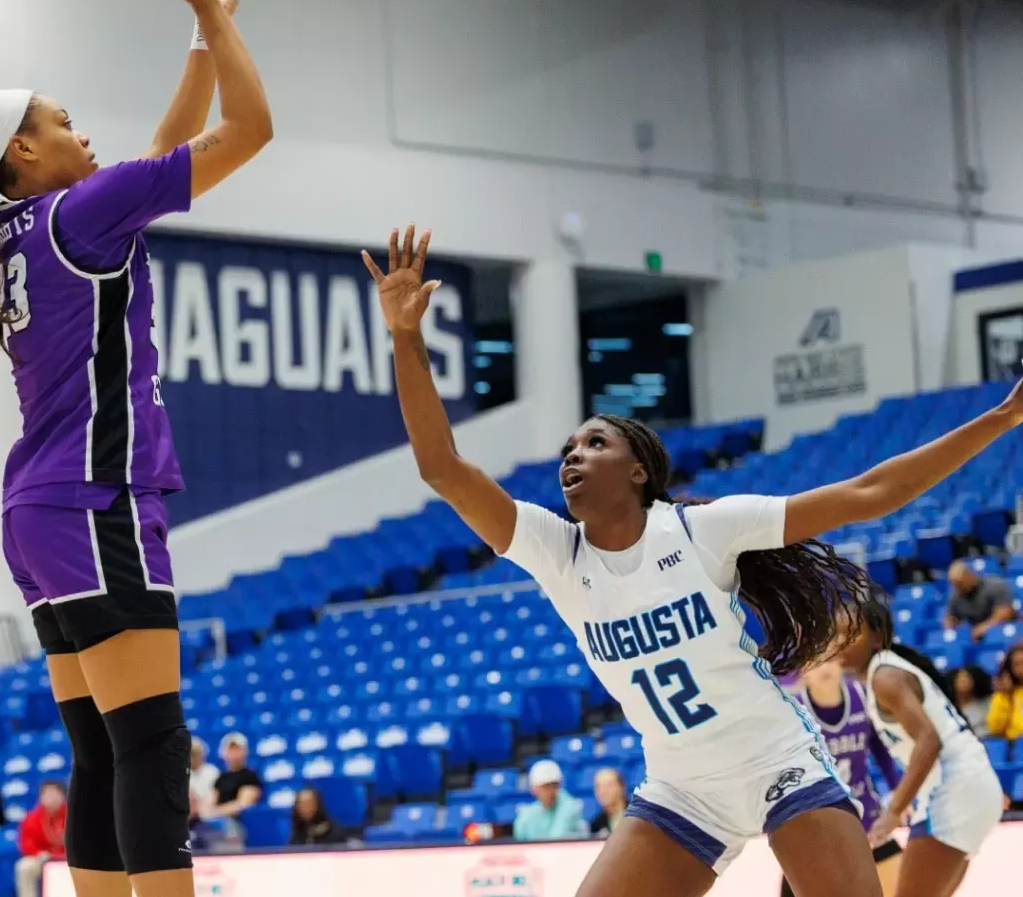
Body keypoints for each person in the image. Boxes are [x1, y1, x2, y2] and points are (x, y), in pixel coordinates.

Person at [373, 225, 1023, 897]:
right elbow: (441, 467)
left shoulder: (699, 531)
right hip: (681, 789)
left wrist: (1003, 416)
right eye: (567, 449)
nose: (572, 456)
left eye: (593, 443)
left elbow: (871, 493)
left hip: (776, 762)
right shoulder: (555, 551)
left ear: (637, 471)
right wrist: (405, 335)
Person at [0, 0, 270, 897]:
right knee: (152, 741)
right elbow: (250, 128)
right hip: (96, 497)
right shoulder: (80, 216)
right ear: (23, 148)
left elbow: (159, 159)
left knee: (103, 746)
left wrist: (203, 28)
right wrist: (209, 6)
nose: (81, 130)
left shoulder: (23, 231)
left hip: (39, 508)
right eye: (62, 120)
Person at [834, 592, 1006, 897]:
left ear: (877, 638)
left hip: (954, 791)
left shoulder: (885, 677)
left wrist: (894, 811)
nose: (840, 642)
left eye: (851, 634)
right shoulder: (886, 670)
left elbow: (930, 740)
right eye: (835, 634)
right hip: (970, 786)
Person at [782, 660, 904, 897]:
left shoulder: (861, 695)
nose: (824, 667)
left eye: (829, 658)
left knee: (901, 887)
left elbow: (880, 747)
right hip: (817, 821)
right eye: (815, 661)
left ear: (841, 661)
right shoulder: (793, 709)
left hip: (864, 813)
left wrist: (897, 790)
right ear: (802, 671)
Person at [201, 732, 264, 851]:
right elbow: (209, 801)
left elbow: (242, 805)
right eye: (230, 750)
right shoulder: (221, 778)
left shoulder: (250, 776)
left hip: (235, 824)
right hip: (215, 823)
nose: (234, 754)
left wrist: (215, 812)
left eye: (237, 749)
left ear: (245, 751)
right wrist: (208, 813)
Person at [513, 759, 590, 841]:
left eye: (554, 785)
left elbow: (558, 838)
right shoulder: (527, 814)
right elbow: (519, 839)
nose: (550, 791)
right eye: (545, 787)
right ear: (534, 789)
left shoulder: (571, 807)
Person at [15, 781, 69, 897]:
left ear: (63, 796)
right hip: (43, 859)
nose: (52, 798)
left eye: (55, 793)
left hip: (70, 860)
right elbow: (26, 844)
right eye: (48, 794)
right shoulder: (31, 818)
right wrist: (39, 854)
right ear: (41, 797)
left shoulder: (72, 816)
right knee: (24, 866)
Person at [942, 561, 1015, 642]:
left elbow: (1005, 613)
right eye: (955, 585)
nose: (958, 589)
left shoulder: (995, 585)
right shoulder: (955, 595)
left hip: (1004, 631)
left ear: (970, 576)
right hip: (976, 636)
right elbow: (951, 618)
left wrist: (984, 627)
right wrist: (950, 625)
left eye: (960, 584)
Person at [989, 642, 1023, 739]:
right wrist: (1006, 696)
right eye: (1016, 664)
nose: (1021, 668)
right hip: (1015, 744)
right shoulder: (1002, 694)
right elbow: (996, 729)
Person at [948, 666, 995, 734]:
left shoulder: (989, 701)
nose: (964, 681)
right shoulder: (949, 708)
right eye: (959, 678)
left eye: (967, 677)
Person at [590, 767, 630, 838]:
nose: (602, 792)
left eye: (608, 786)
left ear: (622, 788)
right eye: (598, 787)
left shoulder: (639, 817)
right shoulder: (596, 825)